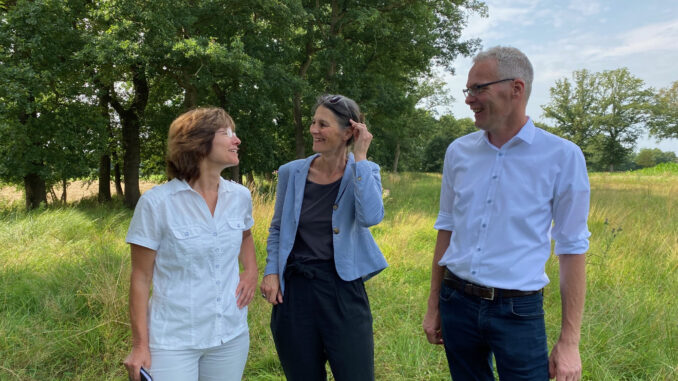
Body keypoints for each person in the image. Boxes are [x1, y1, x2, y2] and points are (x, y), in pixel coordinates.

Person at [422, 46, 590, 381]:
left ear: (517, 88)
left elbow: (572, 248)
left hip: (518, 311)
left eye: (478, 88)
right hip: (456, 301)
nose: (469, 99)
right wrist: (434, 305)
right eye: (468, 90)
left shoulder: (563, 157)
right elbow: (447, 228)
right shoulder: (458, 152)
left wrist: (569, 341)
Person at [123, 108, 257, 381]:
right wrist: (140, 346)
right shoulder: (157, 204)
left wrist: (251, 270)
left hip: (230, 336)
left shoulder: (240, 196)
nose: (237, 140)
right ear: (198, 143)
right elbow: (140, 277)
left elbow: (245, 234)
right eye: (227, 133)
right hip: (173, 341)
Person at [260, 94, 387, 381]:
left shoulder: (363, 171)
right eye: (313, 122)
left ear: (348, 133)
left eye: (323, 124)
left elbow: (370, 217)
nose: (314, 130)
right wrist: (271, 271)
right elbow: (278, 227)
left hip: (343, 289)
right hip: (296, 290)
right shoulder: (291, 172)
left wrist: (362, 156)